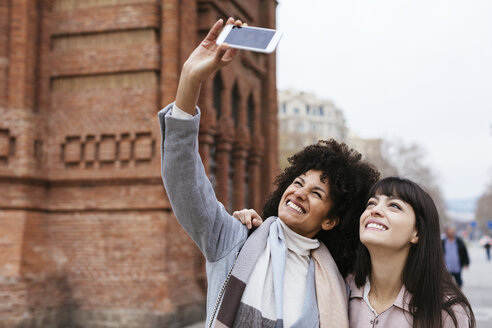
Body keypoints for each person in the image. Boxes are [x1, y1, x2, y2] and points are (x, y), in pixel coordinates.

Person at [158, 18, 380, 328]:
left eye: (317, 193)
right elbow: (182, 177)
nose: (300, 192)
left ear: (331, 219)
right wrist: (190, 79)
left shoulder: (338, 284)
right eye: (299, 182)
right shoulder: (233, 240)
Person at [235, 177, 476, 327]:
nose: (375, 210)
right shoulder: (336, 287)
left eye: (394, 206)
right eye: (372, 203)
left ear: (417, 233)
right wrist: (254, 229)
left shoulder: (446, 311)